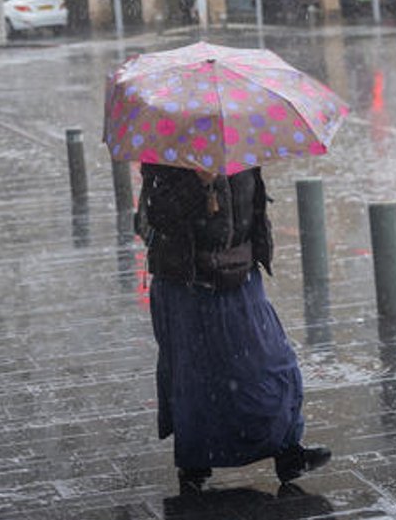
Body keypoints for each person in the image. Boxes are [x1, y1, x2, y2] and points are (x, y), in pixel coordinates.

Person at [137, 162, 330, 492]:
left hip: (240, 274)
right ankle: (194, 463)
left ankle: (287, 449)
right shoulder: (166, 156)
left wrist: (259, 245)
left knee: (271, 362)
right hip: (189, 283)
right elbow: (152, 219)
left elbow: (251, 204)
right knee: (196, 376)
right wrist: (200, 186)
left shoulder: (238, 146)